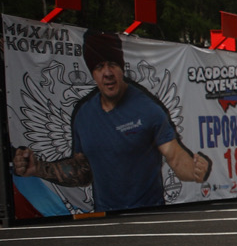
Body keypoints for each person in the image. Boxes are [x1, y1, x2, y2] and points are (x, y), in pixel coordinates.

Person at [9, 30, 212, 211]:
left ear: (122, 67)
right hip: (104, 218)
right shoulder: (83, 115)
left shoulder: (148, 108)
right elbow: (83, 170)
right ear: (92, 73)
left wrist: (194, 171)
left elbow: (175, 156)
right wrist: (39, 169)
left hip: (148, 215)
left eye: (113, 64)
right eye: (99, 67)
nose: (107, 73)